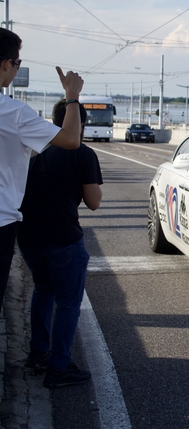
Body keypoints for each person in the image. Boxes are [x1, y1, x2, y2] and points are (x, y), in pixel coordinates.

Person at [18, 99, 103, 389]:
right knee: (68, 303)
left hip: (28, 235)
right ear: (81, 124)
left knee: (43, 290)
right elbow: (93, 202)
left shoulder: (34, 149)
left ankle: (38, 354)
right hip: (63, 238)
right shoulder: (83, 154)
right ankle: (59, 366)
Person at [0, 28, 84, 314]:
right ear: (6, 64)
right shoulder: (13, 112)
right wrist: (72, 96)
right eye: (18, 63)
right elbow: (71, 139)